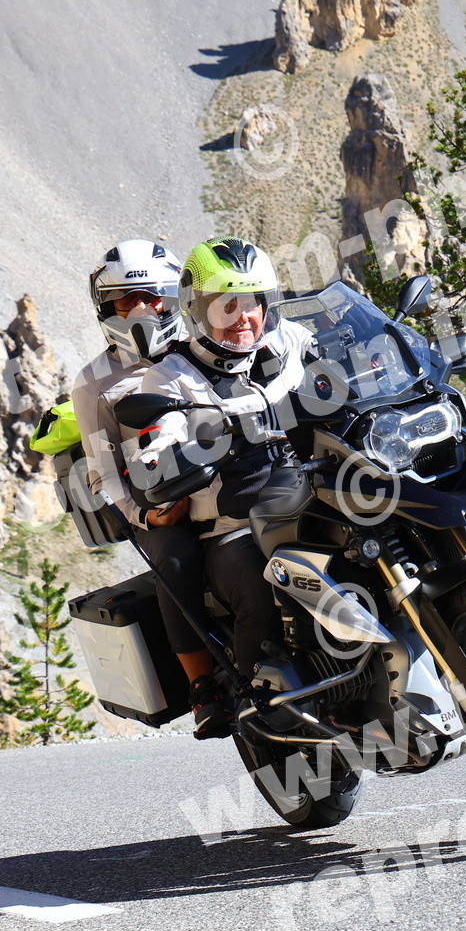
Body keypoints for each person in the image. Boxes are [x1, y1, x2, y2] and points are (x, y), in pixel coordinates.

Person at [132, 237, 316, 712]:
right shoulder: (171, 377)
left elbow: (339, 355)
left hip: (314, 495)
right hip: (234, 527)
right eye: (225, 305)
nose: (242, 317)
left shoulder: (286, 342)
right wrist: (174, 454)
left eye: (252, 302)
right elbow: (157, 444)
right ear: (197, 310)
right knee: (261, 586)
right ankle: (260, 702)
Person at [70, 239, 228, 738]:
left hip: (231, 478)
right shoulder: (93, 383)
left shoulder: (209, 346)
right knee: (173, 560)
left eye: (153, 296)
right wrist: (146, 517)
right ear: (106, 307)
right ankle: (203, 687)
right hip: (162, 501)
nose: (142, 309)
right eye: (125, 300)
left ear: (175, 297)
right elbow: (102, 471)